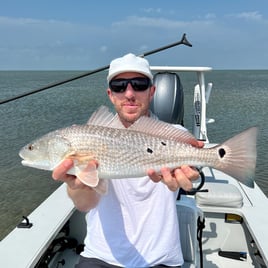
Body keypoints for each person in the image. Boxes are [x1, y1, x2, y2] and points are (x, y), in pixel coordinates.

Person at [52, 53, 204, 267]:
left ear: (152, 92)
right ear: (110, 94)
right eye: (119, 86)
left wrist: (190, 174)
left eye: (140, 84)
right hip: (101, 255)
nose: (129, 93)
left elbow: (191, 169)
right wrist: (78, 185)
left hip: (161, 258)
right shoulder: (90, 137)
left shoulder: (174, 133)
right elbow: (85, 204)